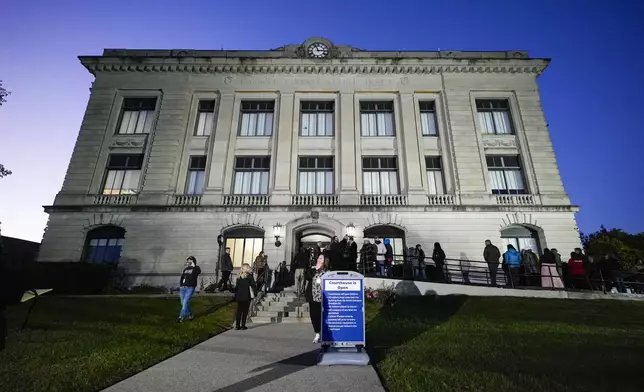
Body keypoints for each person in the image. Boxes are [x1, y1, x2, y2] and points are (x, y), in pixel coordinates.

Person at [304, 254, 330, 343]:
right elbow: (307, 276)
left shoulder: (327, 272)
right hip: (313, 297)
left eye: (321, 258)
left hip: (322, 298)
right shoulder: (313, 270)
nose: (319, 259)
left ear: (324, 261)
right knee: (314, 316)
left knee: (322, 316)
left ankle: (324, 334)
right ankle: (317, 333)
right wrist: (315, 269)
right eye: (318, 258)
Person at [178, 256, 201, 323]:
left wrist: (193, 265)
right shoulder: (185, 269)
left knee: (185, 302)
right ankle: (190, 314)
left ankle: (181, 317)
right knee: (183, 303)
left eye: (189, 261)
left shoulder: (196, 268)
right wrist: (181, 285)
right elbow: (182, 278)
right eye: (187, 261)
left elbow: (197, 272)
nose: (188, 262)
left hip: (190, 288)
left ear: (193, 261)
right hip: (183, 288)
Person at [233, 263, 256, 330]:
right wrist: (255, 293)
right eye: (248, 267)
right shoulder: (249, 276)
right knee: (245, 311)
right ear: (247, 268)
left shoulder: (239, 276)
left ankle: (237, 325)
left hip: (239, 296)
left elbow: (237, 287)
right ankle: (243, 325)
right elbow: (253, 285)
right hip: (246, 296)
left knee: (239, 311)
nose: (250, 268)